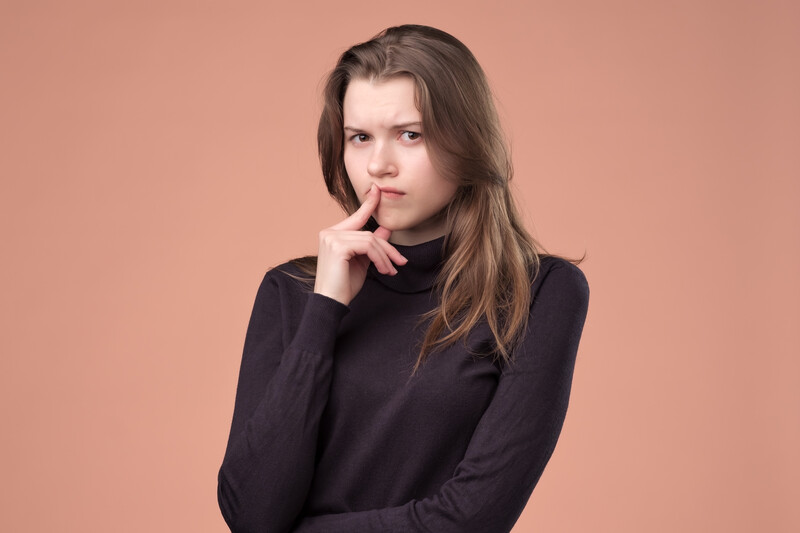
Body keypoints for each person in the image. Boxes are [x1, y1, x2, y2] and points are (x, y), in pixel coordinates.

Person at [217, 24, 589, 533]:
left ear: (466, 140)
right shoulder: (293, 292)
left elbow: (471, 519)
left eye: (410, 135)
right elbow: (252, 517)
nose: (378, 165)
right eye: (360, 137)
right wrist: (324, 311)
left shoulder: (539, 291)